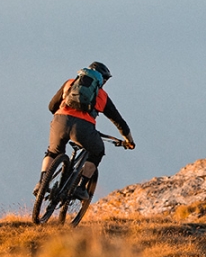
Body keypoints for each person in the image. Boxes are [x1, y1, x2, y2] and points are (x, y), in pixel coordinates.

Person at [34, 62, 135, 200]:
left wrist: (62, 115)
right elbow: (119, 121)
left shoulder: (69, 83)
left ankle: (42, 183)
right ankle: (81, 188)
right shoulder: (102, 95)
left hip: (59, 121)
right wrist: (129, 141)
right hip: (83, 128)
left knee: (53, 152)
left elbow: (52, 106)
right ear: (102, 79)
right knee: (97, 151)